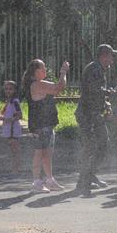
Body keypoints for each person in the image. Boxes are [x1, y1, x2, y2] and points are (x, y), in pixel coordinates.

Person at [75, 44, 117, 195]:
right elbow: (93, 90)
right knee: (92, 147)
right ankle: (84, 180)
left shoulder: (101, 69)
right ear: (104, 56)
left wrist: (106, 103)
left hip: (94, 113)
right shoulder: (94, 69)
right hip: (88, 115)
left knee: (100, 145)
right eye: (111, 55)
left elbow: (98, 93)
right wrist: (109, 92)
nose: (112, 59)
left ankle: (88, 176)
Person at [22, 58, 69, 193]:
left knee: (47, 154)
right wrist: (63, 72)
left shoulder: (40, 83)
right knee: (39, 154)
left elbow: (58, 87)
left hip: (47, 125)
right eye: (42, 68)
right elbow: (58, 88)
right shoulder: (36, 85)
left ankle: (49, 180)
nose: (45, 70)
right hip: (40, 126)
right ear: (35, 72)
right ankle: (36, 183)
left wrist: (63, 74)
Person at [0, 80, 23, 176]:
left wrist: (6, 119)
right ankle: (14, 169)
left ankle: (16, 170)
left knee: (15, 150)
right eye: (6, 89)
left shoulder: (15, 102)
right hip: (8, 129)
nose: (8, 91)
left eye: (10, 89)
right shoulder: (9, 102)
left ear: (15, 90)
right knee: (12, 150)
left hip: (13, 129)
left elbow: (19, 116)